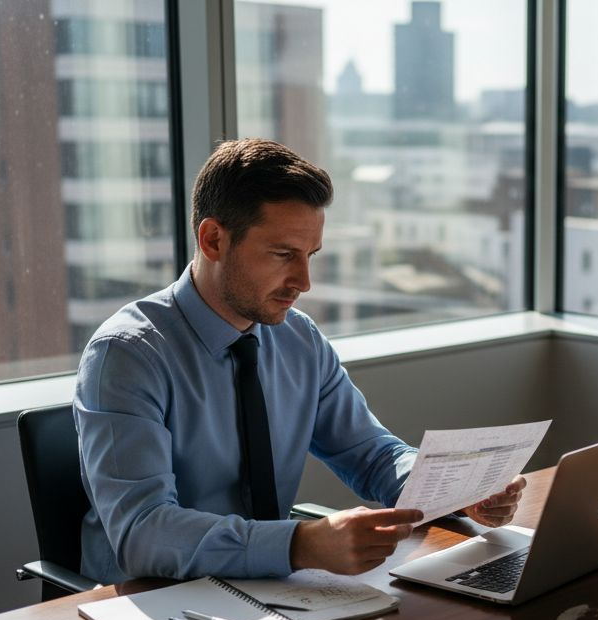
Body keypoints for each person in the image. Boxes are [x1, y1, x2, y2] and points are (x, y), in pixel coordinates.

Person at [75, 138, 525, 583]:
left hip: (273, 588)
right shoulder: (127, 355)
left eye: (309, 256)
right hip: (153, 603)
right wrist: (299, 545)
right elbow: (141, 533)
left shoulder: (297, 338)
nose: (304, 282)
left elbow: (371, 454)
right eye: (283, 254)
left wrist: (458, 490)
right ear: (213, 239)